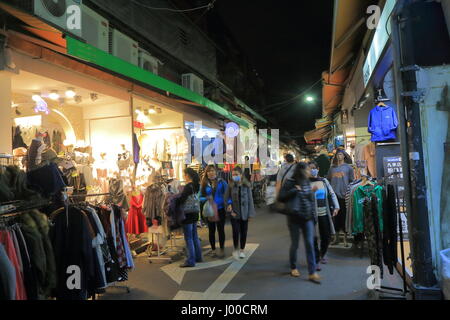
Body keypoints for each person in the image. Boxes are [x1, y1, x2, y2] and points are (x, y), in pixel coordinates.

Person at [278, 162, 321, 284]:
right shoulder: (290, 182)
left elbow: (309, 199)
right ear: (301, 170)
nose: (309, 171)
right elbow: (281, 197)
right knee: (295, 244)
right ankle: (293, 267)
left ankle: (312, 272)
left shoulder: (307, 182)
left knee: (309, 243)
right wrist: (294, 190)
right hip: (294, 218)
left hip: (307, 217)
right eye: (307, 169)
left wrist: (313, 215)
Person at [309, 161, 340, 270]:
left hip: (324, 213)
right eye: (310, 168)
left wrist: (336, 207)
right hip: (312, 215)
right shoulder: (306, 183)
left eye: (314, 168)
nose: (312, 170)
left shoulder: (324, 181)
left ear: (318, 169)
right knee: (313, 238)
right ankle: (316, 260)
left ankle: (322, 254)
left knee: (326, 237)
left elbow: (332, 193)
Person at [224, 166, 255, 259]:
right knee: (235, 232)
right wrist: (229, 205)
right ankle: (236, 249)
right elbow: (226, 198)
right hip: (234, 213)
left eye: (236, 174)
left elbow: (250, 200)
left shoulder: (247, 185)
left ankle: (242, 250)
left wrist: (250, 214)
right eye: (233, 175)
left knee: (244, 232)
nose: (234, 176)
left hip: (245, 213)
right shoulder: (230, 186)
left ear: (241, 175)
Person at [175, 168, 203, 268]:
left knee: (189, 238)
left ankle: (191, 260)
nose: (184, 176)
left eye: (184, 174)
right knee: (194, 235)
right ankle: (198, 256)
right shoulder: (196, 185)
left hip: (187, 214)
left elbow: (182, 199)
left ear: (187, 175)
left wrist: (175, 199)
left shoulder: (188, 186)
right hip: (195, 213)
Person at [200, 165, 229, 258]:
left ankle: (222, 249)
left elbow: (228, 194)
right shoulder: (204, 183)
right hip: (210, 211)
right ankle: (213, 250)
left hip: (220, 209)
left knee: (221, 230)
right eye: (208, 171)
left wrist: (229, 204)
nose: (211, 173)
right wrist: (206, 198)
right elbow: (199, 197)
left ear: (216, 172)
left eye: (212, 171)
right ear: (206, 173)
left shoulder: (222, 182)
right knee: (211, 231)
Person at [327, 150, 355, 246]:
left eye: (340, 154)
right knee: (335, 218)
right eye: (337, 154)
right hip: (334, 197)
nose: (339, 156)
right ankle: (336, 238)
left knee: (344, 218)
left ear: (344, 156)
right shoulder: (332, 168)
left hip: (344, 196)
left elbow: (352, 181)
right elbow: (328, 180)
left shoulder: (348, 168)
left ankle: (345, 239)